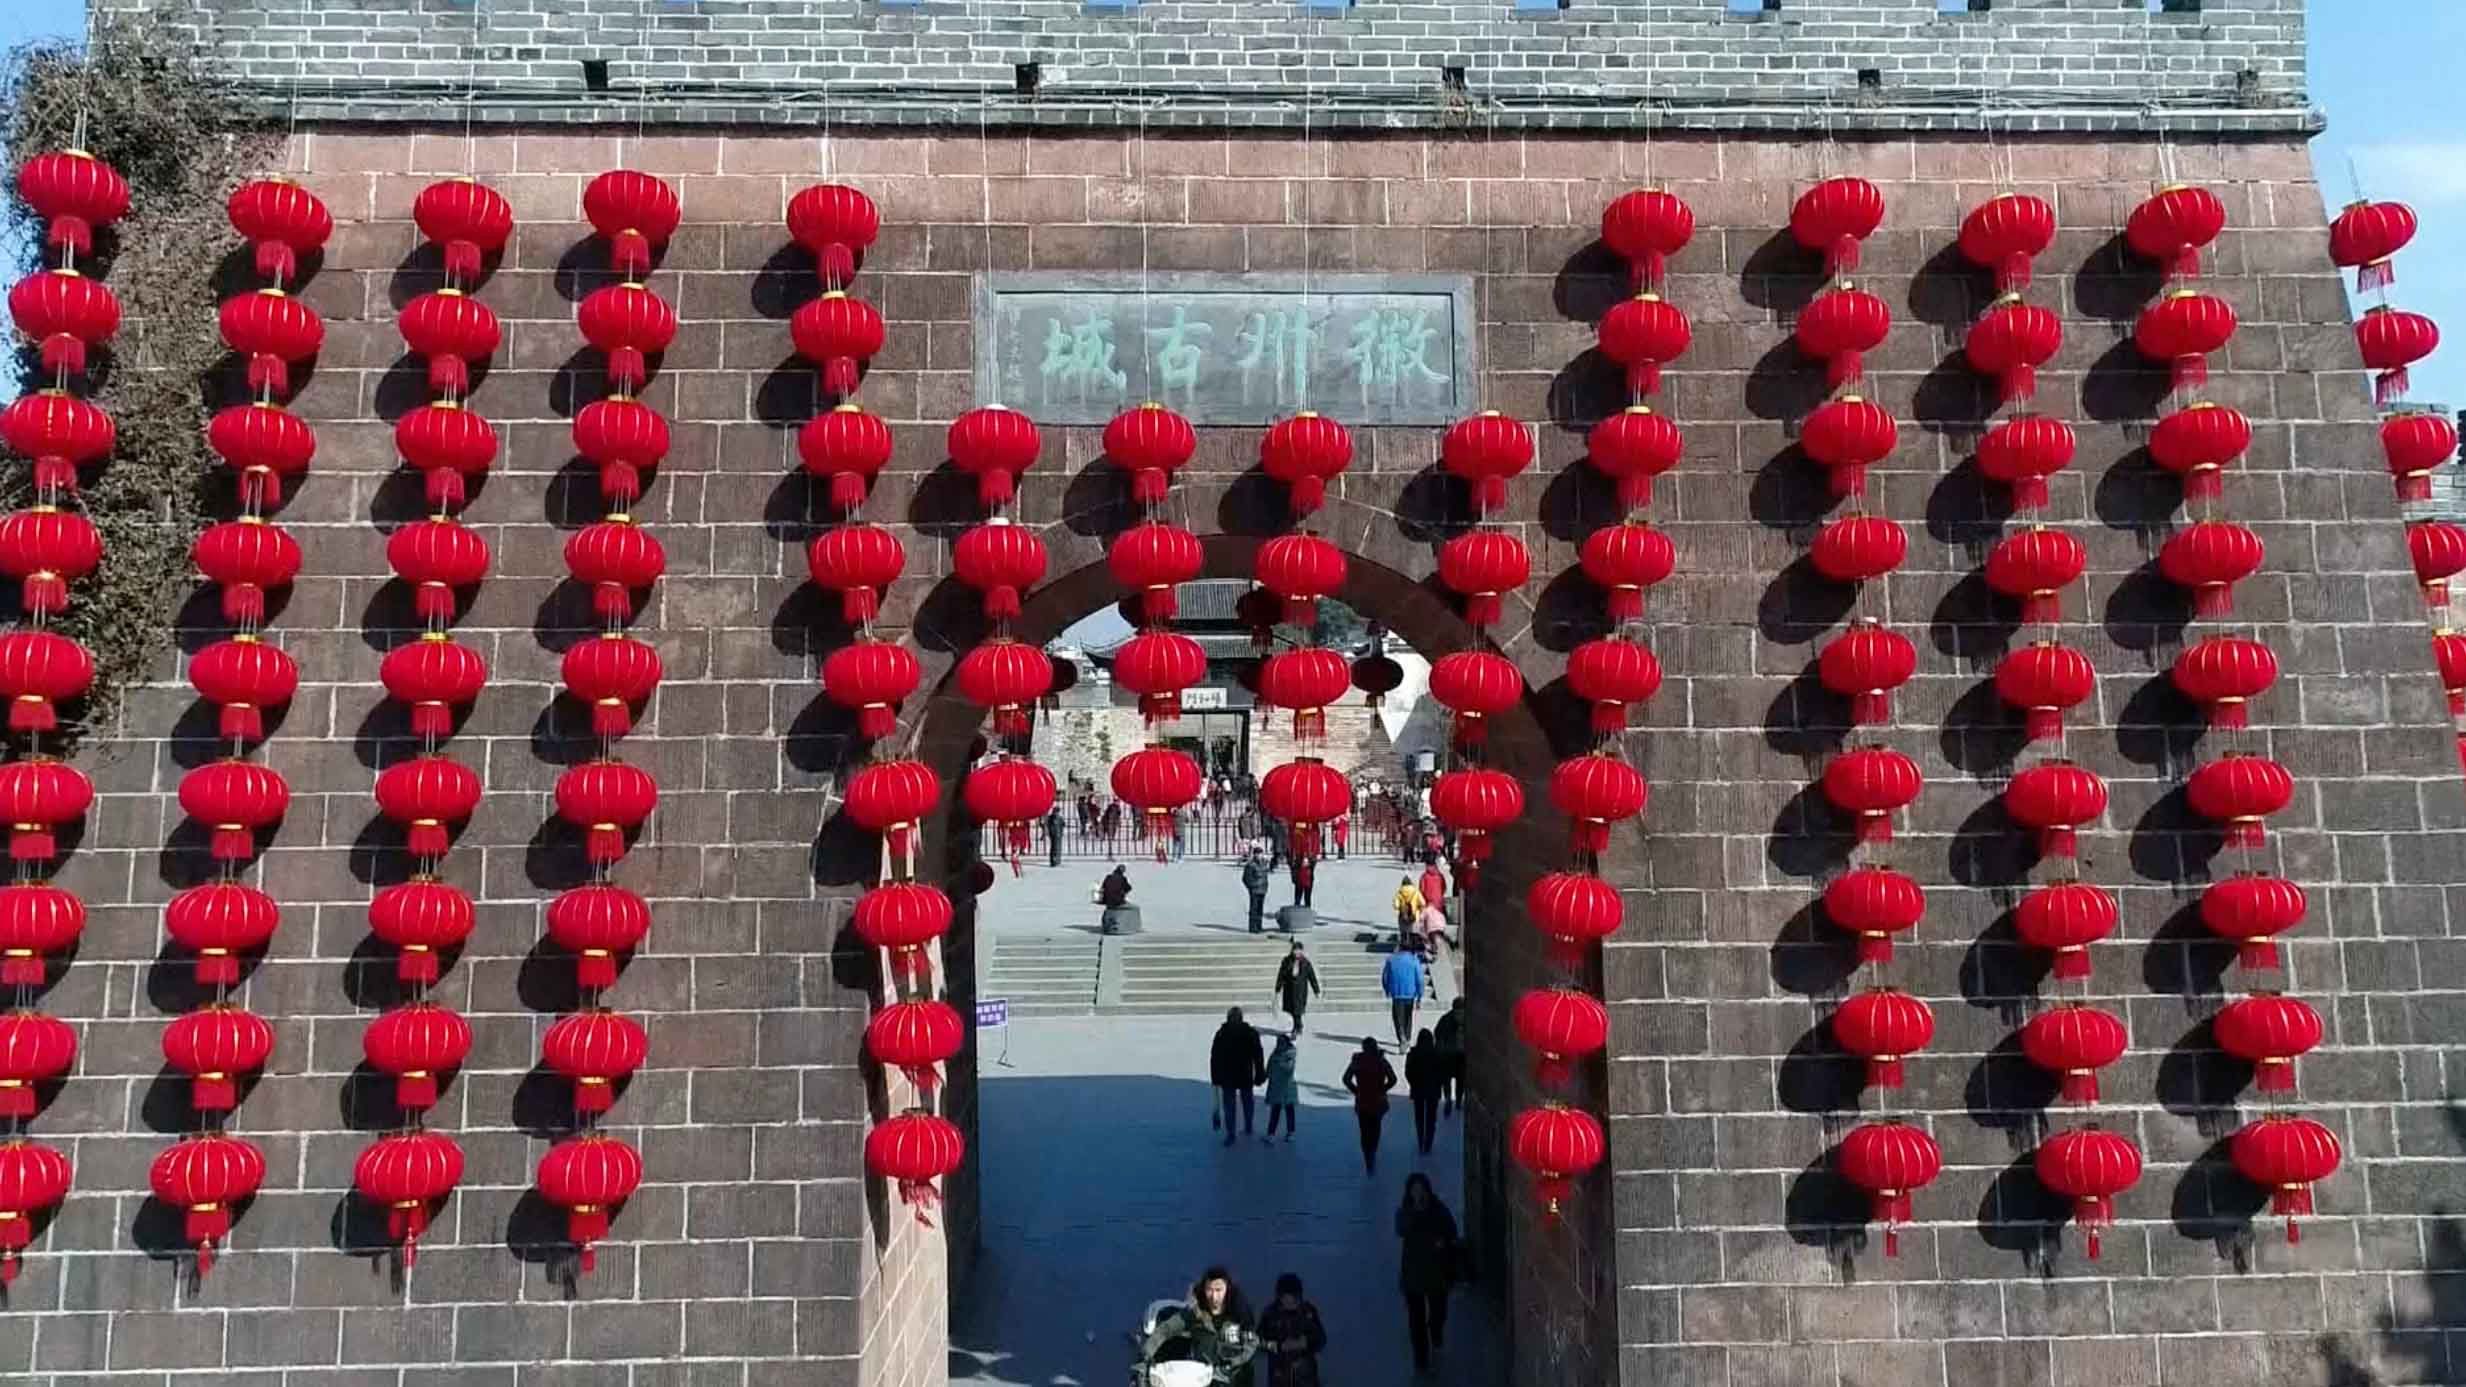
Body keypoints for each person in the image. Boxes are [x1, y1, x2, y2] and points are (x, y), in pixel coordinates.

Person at [1137, 1266, 1259, 1386]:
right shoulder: (1195, 1312)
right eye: (1209, 1290)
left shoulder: (1240, 1314)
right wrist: (1145, 1356)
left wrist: (1231, 1365)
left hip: (1234, 1377)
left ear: (1227, 1289)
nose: (1214, 1296)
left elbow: (1251, 1344)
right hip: (1203, 1377)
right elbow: (1165, 1330)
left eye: (1218, 1290)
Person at [1394, 1174, 1461, 1376]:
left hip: (1437, 1272)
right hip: (1413, 1274)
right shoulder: (1404, 1212)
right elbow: (1401, 1230)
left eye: (1420, 1188)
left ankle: (1436, 1333)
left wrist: (1443, 1243)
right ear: (1409, 1192)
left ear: (1427, 1189)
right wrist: (1414, 1211)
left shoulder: (1439, 1210)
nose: (1418, 1193)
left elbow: (1452, 1231)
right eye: (1414, 1189)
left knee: (1438, 1313)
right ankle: (1421, 1359)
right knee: (1416, 1320)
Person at [1254, 1272, 1327, 1387]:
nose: (1289, 1302)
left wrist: (1305, 1343)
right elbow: (1257, 1343)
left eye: (1293, 1298)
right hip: (1279, 1378)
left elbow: (1320, 1339)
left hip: (1306, 1379)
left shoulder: (1308, 1313)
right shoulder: (1271, 1314)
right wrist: (1279, 1346)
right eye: (1285, 1298)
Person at [1209, 1007, 1266, 1146]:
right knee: (1246, 1101)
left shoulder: (1222, 1033)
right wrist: (1259, 1074)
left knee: (1230, 1105)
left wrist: (1215, 1077)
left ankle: (1232, 1133)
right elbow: (1258, 1056)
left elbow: (1214, 1057)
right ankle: (1247, 1126)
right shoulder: (1250, 1033)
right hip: (1243, 1074)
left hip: (1228, 1075)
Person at [1341, 1037, 1397, 1174]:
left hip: (1363, 1101)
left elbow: (1346, 1079)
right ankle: (1373, 1151)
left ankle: (1368, 1156)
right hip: (1378, 1101)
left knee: (1364, 1131)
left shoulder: (1357, 1061)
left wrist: (1357, 1091)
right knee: (1375, 1128)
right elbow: (1393, 1079)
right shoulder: (1381, 1061)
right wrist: (1383, 1089)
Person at [1404, 1030, 1444, 1156]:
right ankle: (1428, 1144)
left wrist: (1413, 1083)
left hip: (1418, 1089)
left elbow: (1408, 1072)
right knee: (1431, 1119)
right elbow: (1443, 1073)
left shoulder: (1413, 1053)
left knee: (1419, 1117)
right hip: (1433, 1090)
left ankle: (1420, 1140)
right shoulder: (1437, 1053)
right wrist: (1439, 1084)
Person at [1380, 946, 1427, 1050]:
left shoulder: (1391, 960)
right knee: (1408, 1016)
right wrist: (1419, 996)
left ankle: (1402, 1038)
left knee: (1398, 1017)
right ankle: (1407, 1037)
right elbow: (1420, 979)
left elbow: (1385, 977)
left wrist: (1387, 989)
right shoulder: (1414, 960)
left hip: (1396, 993)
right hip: (1410, 993)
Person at [1273, 942, 1320, 1036]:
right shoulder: (1287, 961)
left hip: (1300, 990)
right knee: (1292, 1009)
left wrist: (1316, 990)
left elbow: (1312, 976)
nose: (1297, 952)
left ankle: (1297, 1027)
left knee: (1297, 1009)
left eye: (1299, 950)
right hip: (1289, 989)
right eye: (1295, 950)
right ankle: (1298, 1026)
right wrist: (1278, 987)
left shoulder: (1306, 962)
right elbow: (1281, 975)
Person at [1433, 997, 1467, 1116]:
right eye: (1458, 1012)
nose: (1459, 1015)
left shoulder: (1445, 1019)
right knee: (1453, 1080)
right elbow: (1438, 1037)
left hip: (1456, 1057)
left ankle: (1454, 1100)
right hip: (1452, 1056)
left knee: (1457, 1081)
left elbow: (1437, 1036)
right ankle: (1452, 1100)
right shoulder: (1446, 1020)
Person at [1263, 1033, 1300, 1142]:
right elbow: (1269, 1068)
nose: (1279, 1045)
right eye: (1278, 1042)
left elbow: (1289, 1069)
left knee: (1289, 1110)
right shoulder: (1275, 1054)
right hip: (1276, 1087)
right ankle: (1271, 1134)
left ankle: (1291, 1132)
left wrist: (1279, 1061)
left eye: (1281, 1043)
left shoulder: (1289, 1055)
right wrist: (1266, 1075)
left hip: (1287, 1088)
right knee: (1275, 1111)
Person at [1241, 847, 1273, 934]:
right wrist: (1251, 886)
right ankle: (1252, 927)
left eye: (1261, 854)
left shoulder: (1264, 863)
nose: (1259, 856)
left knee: (1260, 909)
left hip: (1262, 889)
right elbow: (1245, 878)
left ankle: (1259, 926)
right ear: (1254, 854)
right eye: (1258, 854)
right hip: (1254, 890)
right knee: (1254, 909)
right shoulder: (1250, 865)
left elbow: (1266, 875)